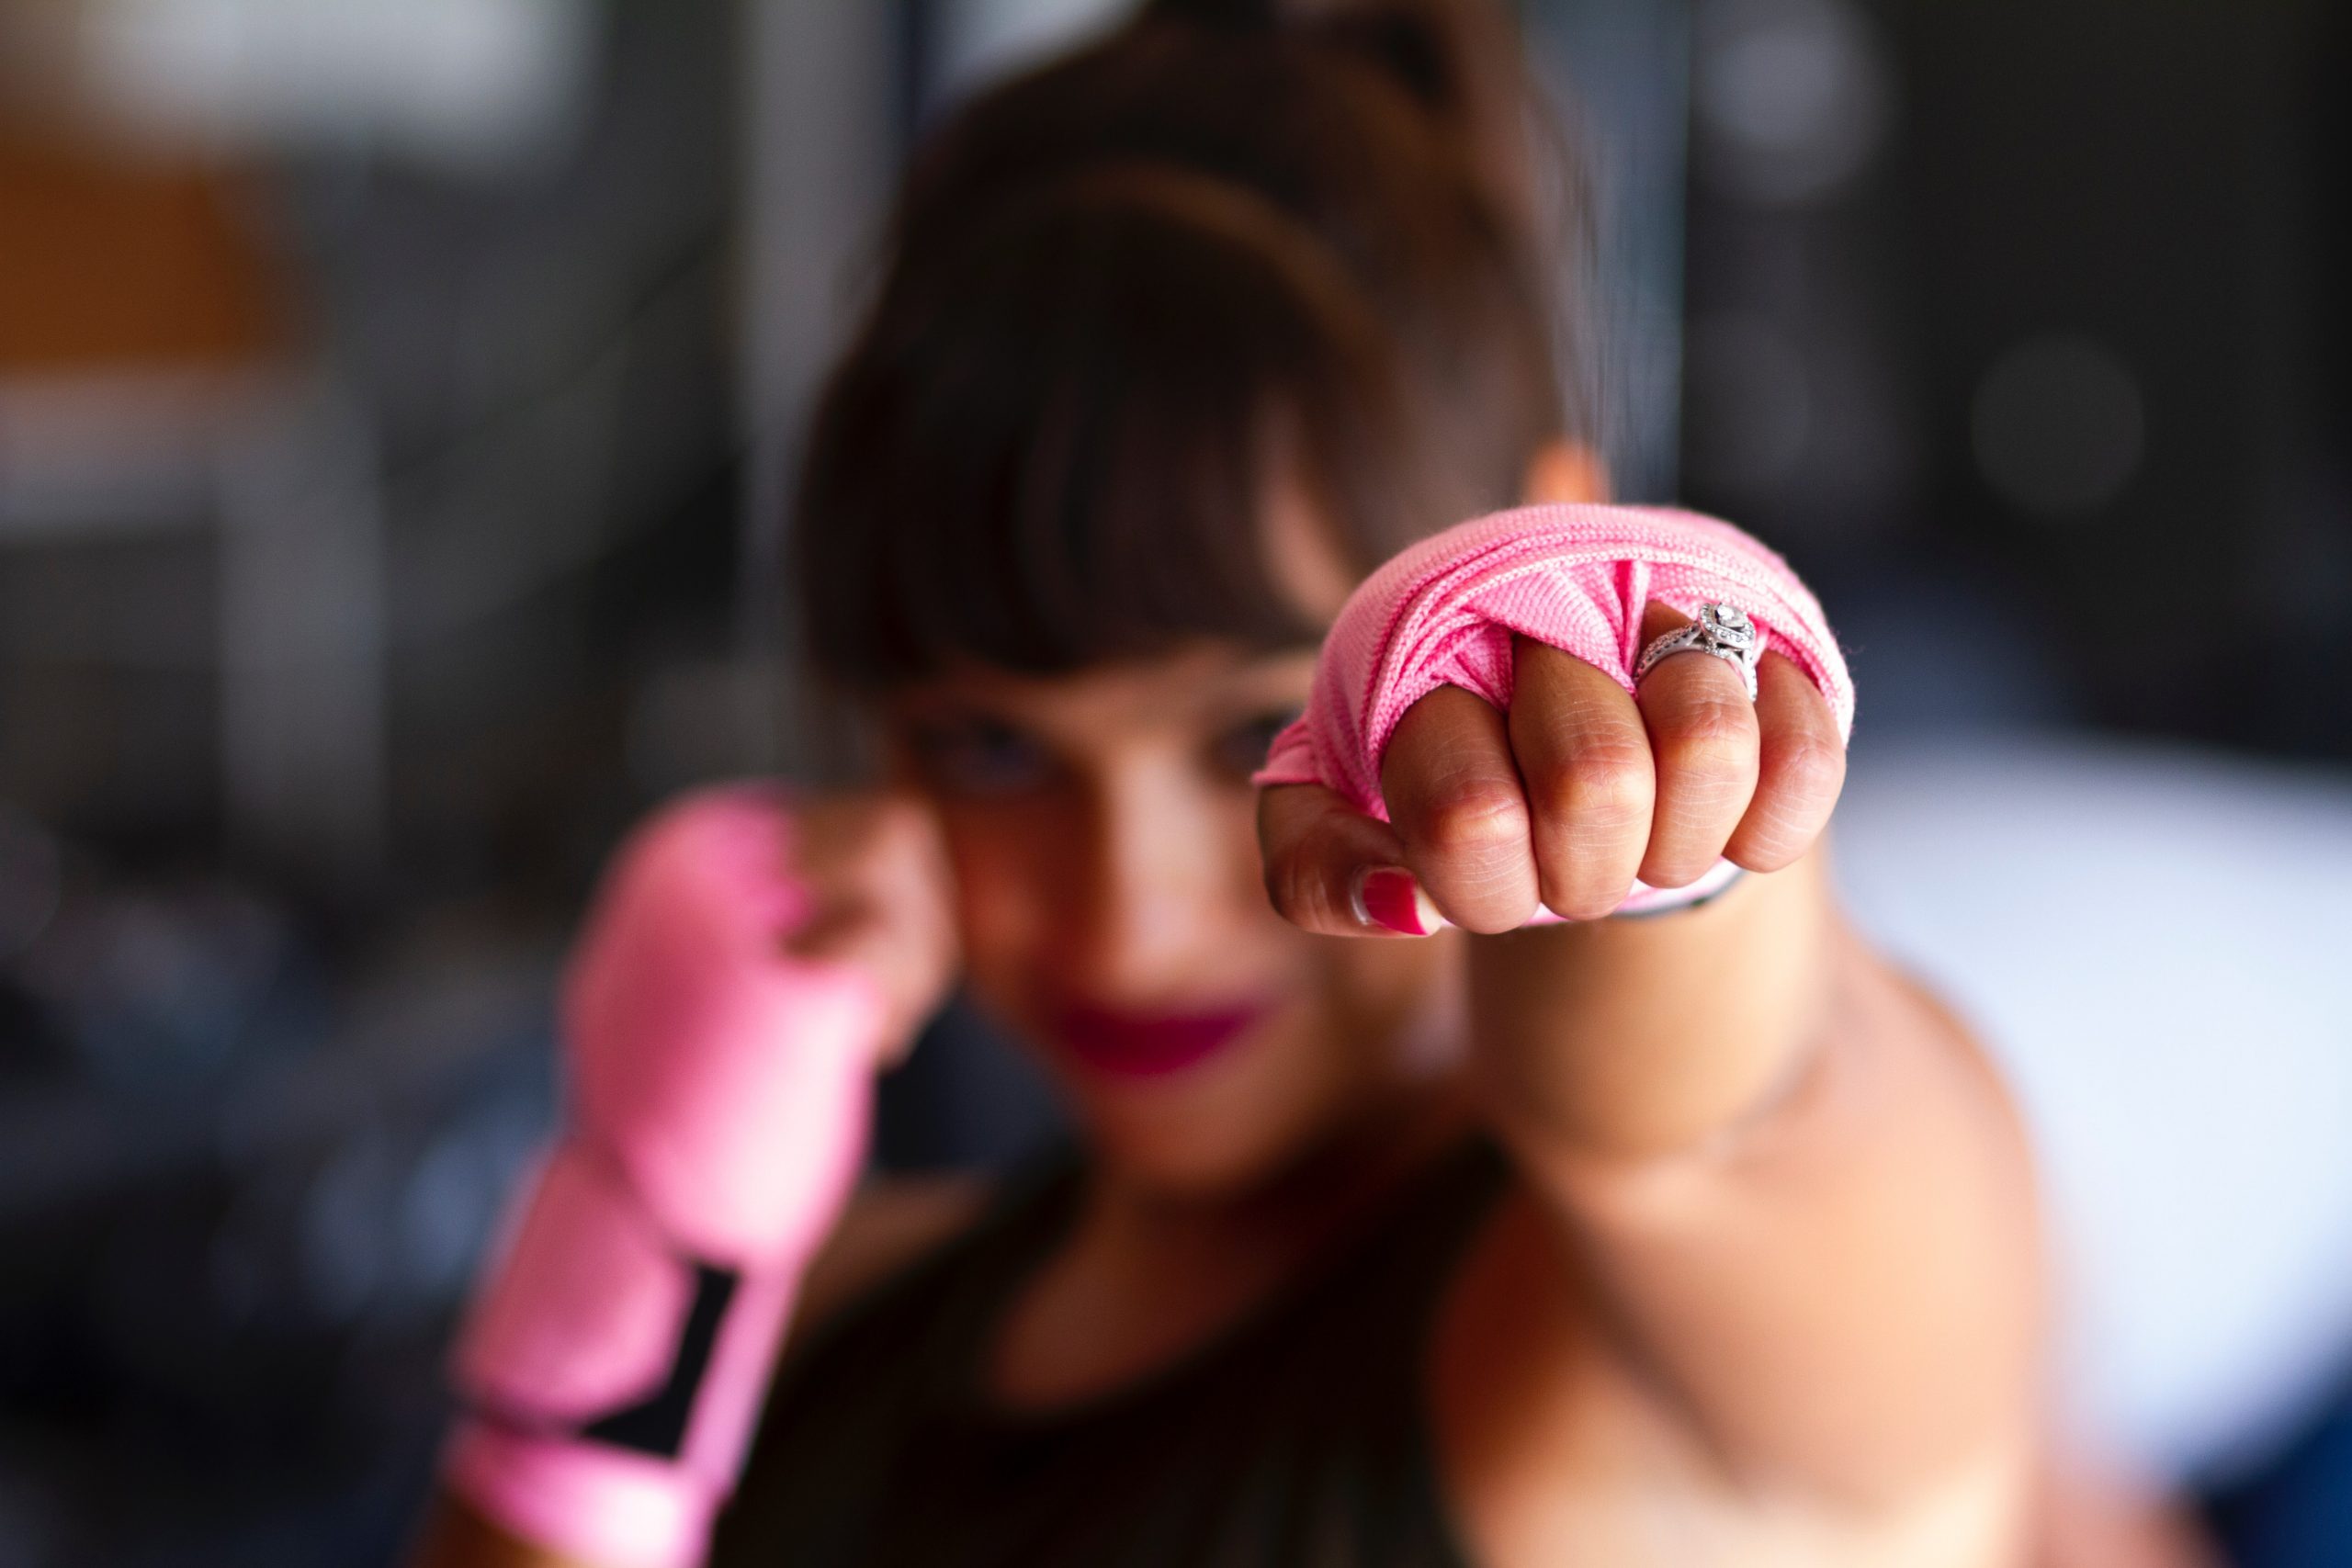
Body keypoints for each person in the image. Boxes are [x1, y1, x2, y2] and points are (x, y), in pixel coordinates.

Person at [410, 3, 2212, 1564]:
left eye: (1238, 733)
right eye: (990, 745)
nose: (1126, 914)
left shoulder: (1650, 1368)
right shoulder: (821, 1302)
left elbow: (1718, 1115)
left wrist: (1650, 789)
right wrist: (640, 1229)